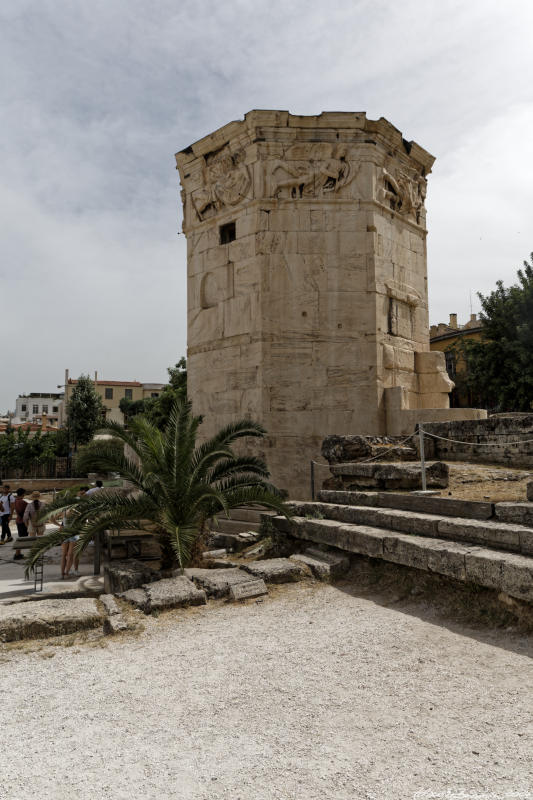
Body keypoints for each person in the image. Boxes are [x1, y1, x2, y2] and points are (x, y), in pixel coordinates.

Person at [13, 488, 28, 561]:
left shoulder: (16, 500)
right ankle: (17, 554)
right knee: (22, 538)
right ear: (23, 494)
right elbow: (26, 513)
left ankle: (18, 553)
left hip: (18, 520)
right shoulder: (23, 502)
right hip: (22, 522)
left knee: (21, 538)